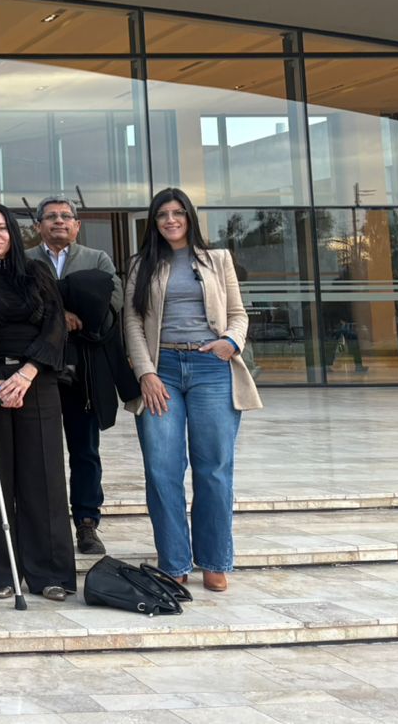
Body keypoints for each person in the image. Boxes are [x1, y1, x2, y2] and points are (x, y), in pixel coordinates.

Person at [124, 188, 258, 593]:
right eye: (163, 214)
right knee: (162, 468)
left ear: (189, 217)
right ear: (154, 222)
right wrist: (146, 372)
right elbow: (131, 321)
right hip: (161, 369)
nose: (171, 220)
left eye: (178, 212)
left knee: (213, 467)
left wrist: (230, 342)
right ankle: (174, 562)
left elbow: (237, 313)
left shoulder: (218, 259)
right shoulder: (141, 264)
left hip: (211, 368)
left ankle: (214, 561)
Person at [0, 202, 74, 601]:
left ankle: (50, 574)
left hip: (37, 380)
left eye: (2, 228)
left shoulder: (36, 272)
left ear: (14, 232)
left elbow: (55, 326)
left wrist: (26, 373)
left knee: (44, 478)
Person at [27, 194, 123, 556]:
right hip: (38, 369)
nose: (58, 221)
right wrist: (60, 314)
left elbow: (113, 300)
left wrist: (72, 308)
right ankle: (42, 526)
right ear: (38, 225)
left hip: (84, 369)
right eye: (51, 216)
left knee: (84, 450)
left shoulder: (97, 258)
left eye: (66, 216)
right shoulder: (25, 259)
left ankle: (86, 522)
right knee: (40, 451)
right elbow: (18, 303)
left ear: (77, 225)